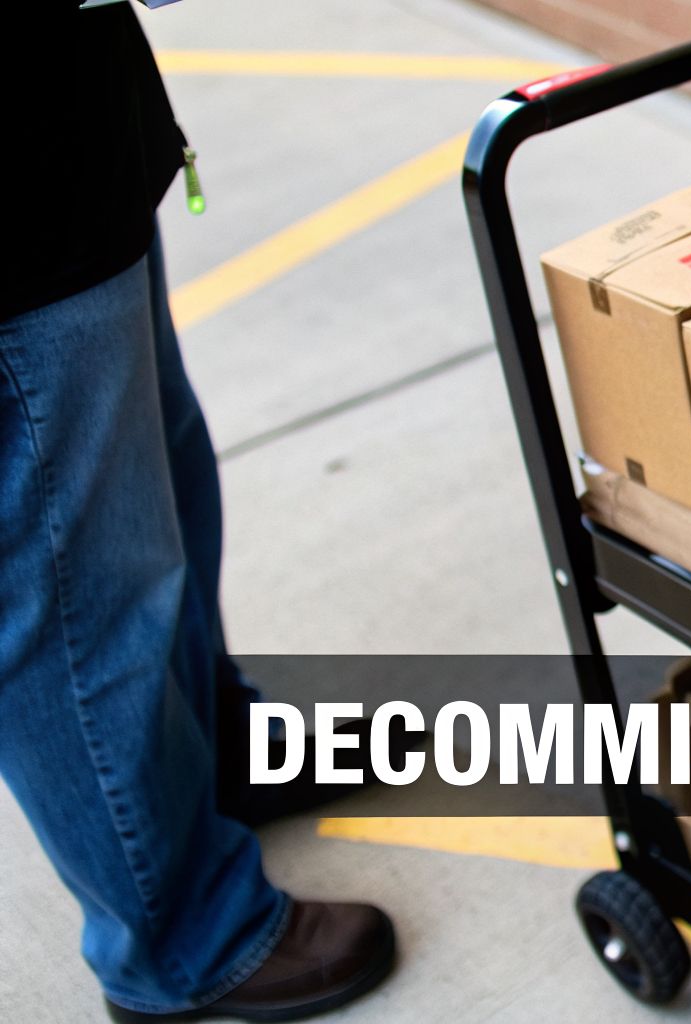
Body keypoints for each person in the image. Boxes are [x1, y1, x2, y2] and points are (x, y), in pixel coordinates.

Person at [0, 4, 396, 1020]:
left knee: (157, 487)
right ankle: (182, 941)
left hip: (67, 133)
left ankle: (209, 751)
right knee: (72, 584)